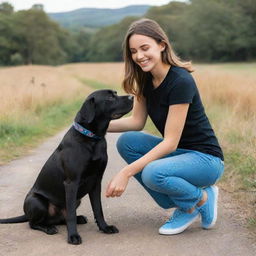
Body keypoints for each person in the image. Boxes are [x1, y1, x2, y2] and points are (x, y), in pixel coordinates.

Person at [106, 18, 224, 235]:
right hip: (181, 155)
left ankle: (200, 199)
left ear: (162, 45)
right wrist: (96, 125)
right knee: (128, 141)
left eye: (144, 48)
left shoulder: (180, 81)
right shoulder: (144, 81)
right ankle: (187, 202)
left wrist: (126, 172)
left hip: (206, 160)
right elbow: (136, 122)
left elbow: (170, 143)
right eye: (133, 51)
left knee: (152, 173)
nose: (139, 56)